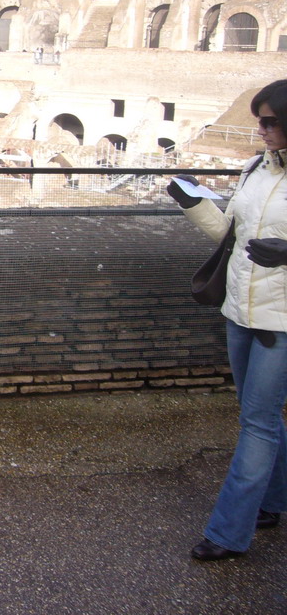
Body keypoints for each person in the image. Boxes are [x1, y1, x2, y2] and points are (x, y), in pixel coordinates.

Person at [167, 78, 287, 561]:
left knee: (257, 423)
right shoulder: (255, 167)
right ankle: (274, 501)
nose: (261, 129)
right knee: (261, 415)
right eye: (259, 119)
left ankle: (229, 531)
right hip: (238, 309)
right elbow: (231, 235)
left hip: (280, 321)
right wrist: (193, 204)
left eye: (271, 121)